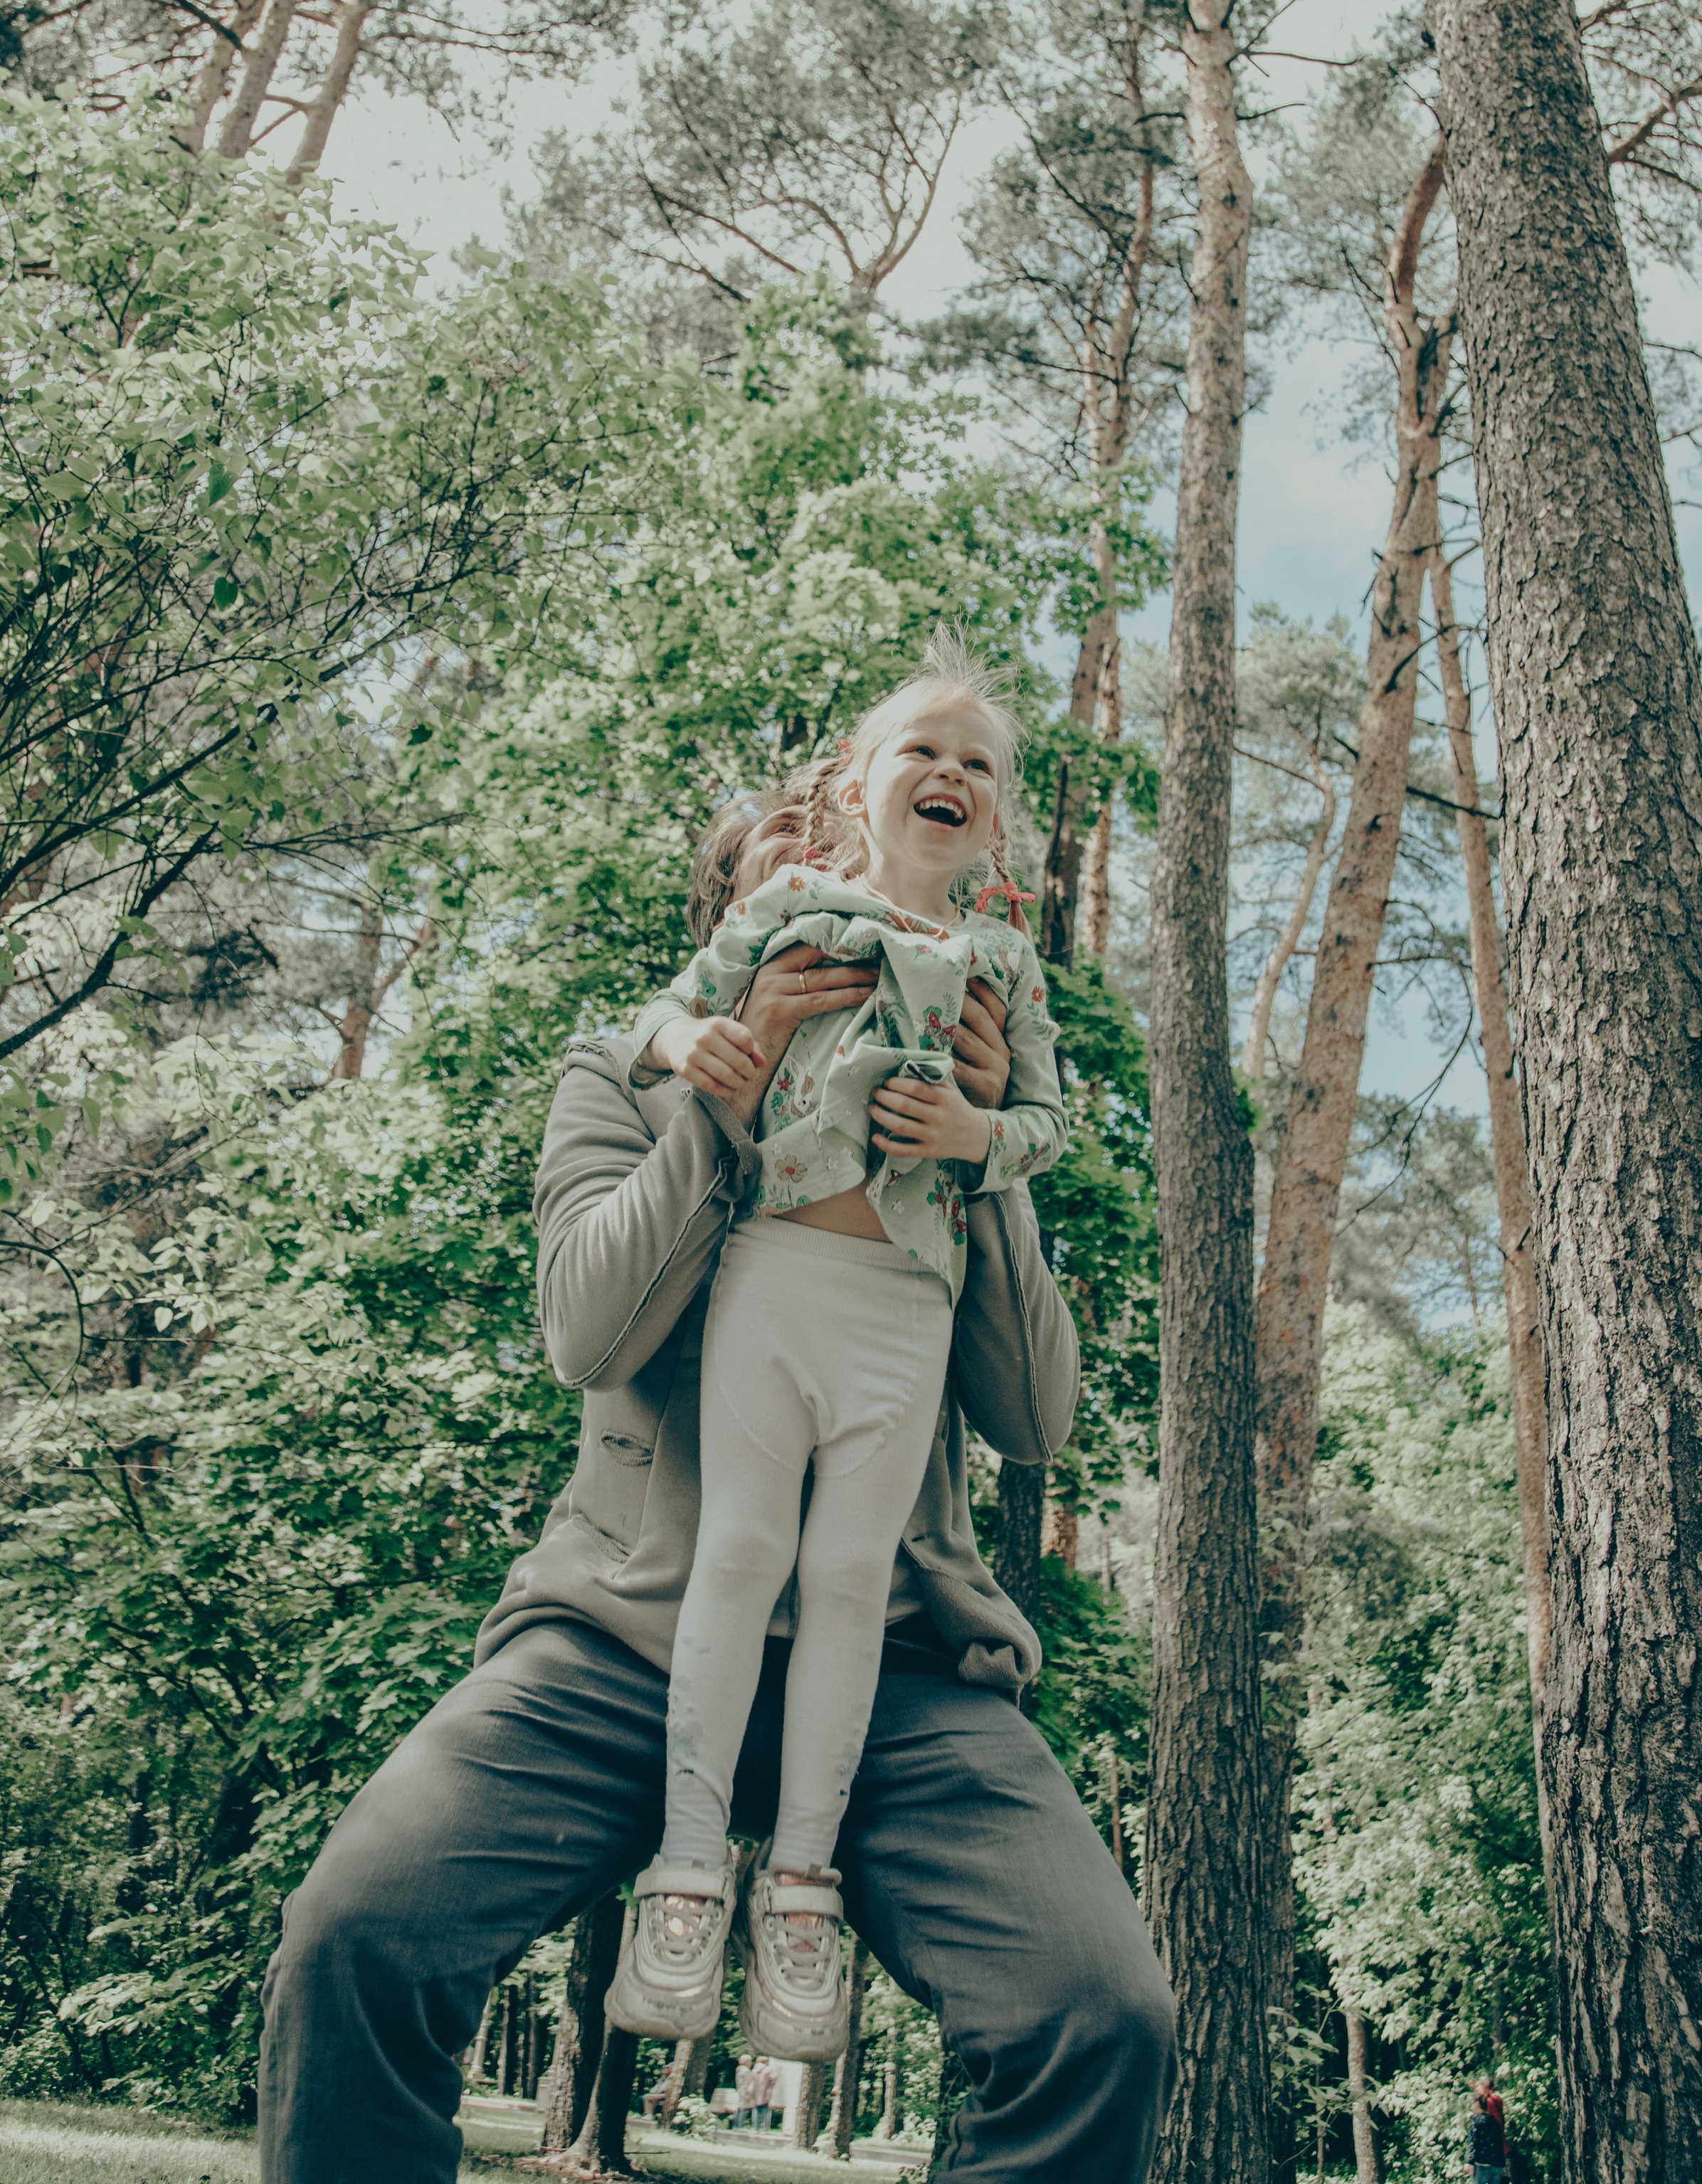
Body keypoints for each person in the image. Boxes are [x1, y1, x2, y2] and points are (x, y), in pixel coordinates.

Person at [256, 723, 1176, 2184]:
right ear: (740, 926)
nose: (842, 943)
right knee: (353, 1938)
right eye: (804, 898)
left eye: (868, 924)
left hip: (901, 1671)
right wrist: (714, 1107)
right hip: (620, 1643)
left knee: (1099, 2017)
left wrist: (977, 1152)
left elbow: (1033, 1420)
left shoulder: (941, 1103)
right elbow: (587, 1332)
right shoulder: (621, 1073)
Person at [605, 636, 1069, 2061]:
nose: (946, 773)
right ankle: (687, 1866)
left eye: (976, 763)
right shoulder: (794, 911)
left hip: (904, 1315)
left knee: (851, 1583)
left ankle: (797, 1890)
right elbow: (647, 1020)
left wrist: (977, 1137)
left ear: (994, 821)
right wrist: (696, 1050)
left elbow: (1046, 1127)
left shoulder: (1002, 969)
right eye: (918, 751)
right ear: (857, 787)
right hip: (778, 1275)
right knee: (741, 1557)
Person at [1466, 2075, 1508, 2180]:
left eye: (1478, 2087)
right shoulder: (1495, 2099)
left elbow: (1474, 2140)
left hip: (1489, 2157)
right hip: (1498, 2156)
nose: (1476, 2090)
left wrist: (1470, 2162)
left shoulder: (1489, 2103)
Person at [751, 2058, 778, 2133]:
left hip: (755, 2093)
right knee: (765, 2111)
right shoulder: (768, 2070)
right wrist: (770, 2085)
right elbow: (774, 2078)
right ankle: (765, 2129)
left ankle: (755, 2128)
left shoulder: (754, 2070)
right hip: (765, 2093)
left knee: (756, 2110)